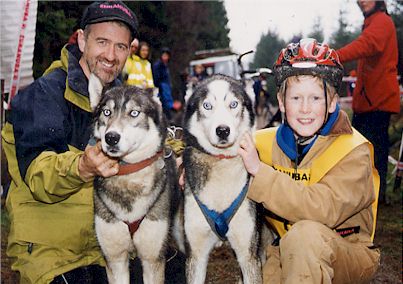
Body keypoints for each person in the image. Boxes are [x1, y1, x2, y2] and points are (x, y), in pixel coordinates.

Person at [1, 1, 138, 283]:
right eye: (102, 42)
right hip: (50, 249)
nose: (111, 56)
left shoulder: (123, 99)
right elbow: (40, 178)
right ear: (82, 39)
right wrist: (82, 167)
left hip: (104, 246)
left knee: (175, 268)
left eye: (121, 47)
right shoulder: (41, 96)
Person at [238, 38, 380, 283]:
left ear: (333, 102)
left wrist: (258, 172)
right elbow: (224, 149)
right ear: (282, 102)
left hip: (348, 252)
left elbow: (321, 209)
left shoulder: (354, 151)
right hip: (287, 251)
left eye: (315, 98)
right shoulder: (265, 142)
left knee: (305, 236)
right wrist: (188, 162)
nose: (305, 108)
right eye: (295, 99)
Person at [336, 0, 400, 204]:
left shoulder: (382, 21)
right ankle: (372, 196)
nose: (362, 1)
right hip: (371, 101)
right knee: (367, 149)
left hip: (378, 101)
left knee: (371, 150)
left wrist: (333, 56)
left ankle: (375, 197)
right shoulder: (373, 22)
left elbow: (367, 45)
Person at [153, 47, 174, 120]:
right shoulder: (158, 65)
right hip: (161, 89)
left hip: (167, 89)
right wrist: (160, 88)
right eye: (164, 55)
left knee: (168, 106)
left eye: (167, 56)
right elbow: (156, 79)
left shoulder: (166, 65)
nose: (165, 57)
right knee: (164, 107)